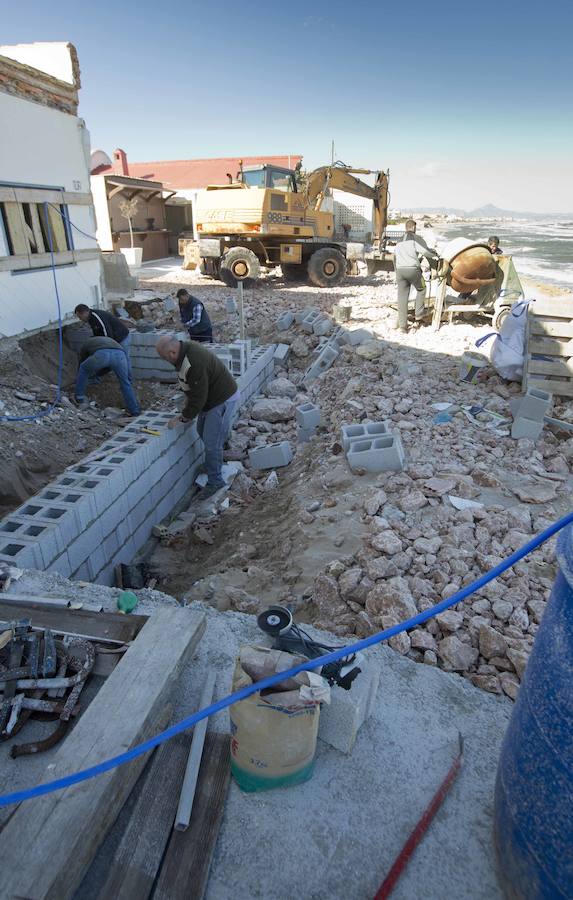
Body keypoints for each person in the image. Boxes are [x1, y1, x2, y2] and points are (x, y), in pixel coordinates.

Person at [156, 335, 239, 499]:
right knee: (202, 431)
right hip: (211, 398)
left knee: (212, 442)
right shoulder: (184, 352)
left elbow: (199, 397)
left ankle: (215, 481)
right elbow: (192, 389)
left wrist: (183, 417)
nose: (166, 361)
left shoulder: (193, 361)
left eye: (165, 358)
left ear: (172, 352)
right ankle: (214, 462)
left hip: (221, 399)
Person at [75, 336, 140, 416]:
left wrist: (79, 377)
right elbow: (108, 367)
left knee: (83, 369)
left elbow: (83, 362)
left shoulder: (86, 344)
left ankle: (79, 397)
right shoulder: (108, 340)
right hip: (120, 355)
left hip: (102, 354)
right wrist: (98, 374)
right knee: (125, 383)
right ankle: (135, 411)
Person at [393, 220, 438, 332]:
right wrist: (434, 254)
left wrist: (397, 271)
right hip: (413, 271)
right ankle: (419, 314)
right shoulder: (414, 239)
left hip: (400, 271)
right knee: (422, 288)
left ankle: (403, 326)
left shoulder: (399, 241)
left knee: (402, 297)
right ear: (413, 228)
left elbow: (394, 258)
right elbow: (425, 252)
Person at [74, 304, 132, 376]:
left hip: (122, 337)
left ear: (85, 313)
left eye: (80, 317)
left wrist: (104, 348)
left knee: (124, 360)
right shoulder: (90, 318)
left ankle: (128, 382)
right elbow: (97, 333)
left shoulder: (97, 317)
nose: (80, 319)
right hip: (113, 338)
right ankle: (97, 377)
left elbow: (107, 334)